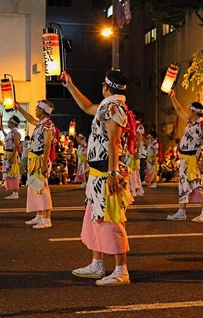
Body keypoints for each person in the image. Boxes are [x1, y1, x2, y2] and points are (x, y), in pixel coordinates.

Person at [63, 69, 135, 286]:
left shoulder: (114, 107)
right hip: (99, 172)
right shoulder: (108, 105)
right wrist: (70, 85)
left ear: (106, 86)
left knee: (111, 219)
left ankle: (121, 270)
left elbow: (113, 142)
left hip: (107, 171)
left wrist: (112, 174)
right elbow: (86, 107)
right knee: (95, 217)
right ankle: (97, 264)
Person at [166, 90, 203, 222]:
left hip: (193, 159)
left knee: (198, 184)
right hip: (184, 159)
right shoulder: (190, 122)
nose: (188, 112)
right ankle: (181, 211)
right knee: (183, 185)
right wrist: (173, 97)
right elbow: (179, 111)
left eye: (190, 110)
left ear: (196, 112)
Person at [15, 100, 58, 229]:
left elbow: (47, 145)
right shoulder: (41, 124)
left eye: (37, 108)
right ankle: (39, 215)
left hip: (40, 159)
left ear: (43, 111)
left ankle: (47, 218)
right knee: (35, 187)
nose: (35, 110)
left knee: (42, 188)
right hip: (35, 159)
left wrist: (44, 163)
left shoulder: (48, 125)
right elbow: (30, 119)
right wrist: (19, 108)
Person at [0, 115, 22, 199]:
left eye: (9, 121)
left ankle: (15, 192)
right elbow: (8, 138)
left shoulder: (16, 133)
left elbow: (16, 145)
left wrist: (12, 156)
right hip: (8, 155)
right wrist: (2, 130)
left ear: (13, 123)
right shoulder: (11, 133)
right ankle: (14, 192)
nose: (8, 123)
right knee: (9, 173)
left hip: (11, 154)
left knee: (13, 173)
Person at [127, 114, 144, 197]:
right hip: (130, 151)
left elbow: (139, 140)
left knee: (133, 171)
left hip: (133, 151)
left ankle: (134, 189)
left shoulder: (138, 126)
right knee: (131, 170)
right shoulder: (131, 125)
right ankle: (133, 188)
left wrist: (137, 151)